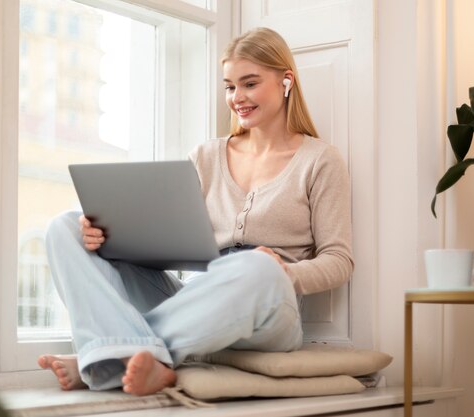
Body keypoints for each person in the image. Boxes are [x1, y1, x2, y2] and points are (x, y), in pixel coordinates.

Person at [38, 27, 353, 396]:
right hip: (194, 298)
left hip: (270, 307)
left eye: (249, 84)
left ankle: (105, 357)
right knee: (65, 227)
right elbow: (162, 239)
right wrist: (107, 236)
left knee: (254, 266)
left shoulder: (320, 160)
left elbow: (339, 260)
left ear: (286, 81)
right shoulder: (206, 156)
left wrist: (284, 272)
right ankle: (123, 357)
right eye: (230, 86)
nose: (237, 97)